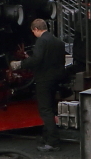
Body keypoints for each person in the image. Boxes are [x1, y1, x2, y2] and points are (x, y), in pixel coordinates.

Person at [17, 18, 65, 151]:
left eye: (34, 32)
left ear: (36, 29)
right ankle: (46, 136)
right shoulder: (57, 41)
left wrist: (20, 64)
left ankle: (53, 142)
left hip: (44, 79)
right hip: (56, 78)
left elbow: (37, 59)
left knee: (45, 110)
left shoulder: (41, 41)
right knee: (51, 108)